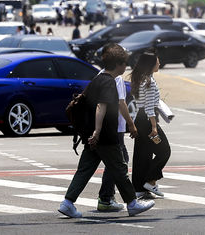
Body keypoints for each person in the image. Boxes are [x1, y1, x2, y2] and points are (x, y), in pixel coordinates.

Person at [58, 44, 154, 219]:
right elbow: (101, 107)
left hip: (91, 136)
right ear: (118, 64)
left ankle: (67, 203)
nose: (126, 66)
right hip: (105, 137)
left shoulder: (97, 78)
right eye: (125, 63)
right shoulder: (109, 82)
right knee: (120, 168)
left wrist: (92, 133)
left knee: (85, 170)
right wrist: (98, 131)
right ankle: (132, 203)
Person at [97, 44, 139, 212]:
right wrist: (131, 124)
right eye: (124, 62)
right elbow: (122, 103)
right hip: (117, 127)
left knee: (107, 162)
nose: (126, 66)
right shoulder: (117, 79)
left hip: (104, 128)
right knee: (118, 162)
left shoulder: (100, 74)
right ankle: (106, 198)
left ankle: (107, 197)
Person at [131, 51, 171, 199]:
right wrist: (154, 127)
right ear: (151, 65)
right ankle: (151, 181)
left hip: (140, 120)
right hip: (148, 122)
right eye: (157, 62)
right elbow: (148, 108)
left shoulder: (140, 79)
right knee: (164, 150)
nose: (159, 64)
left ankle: (139, 188)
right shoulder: (149, 81)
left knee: (143, 154)